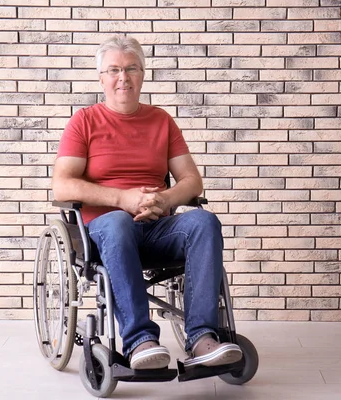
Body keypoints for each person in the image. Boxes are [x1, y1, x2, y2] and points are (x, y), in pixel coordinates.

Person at [52, 35, 242, 370]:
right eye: (113, 70)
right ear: (101, 77)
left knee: (203, 221)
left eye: (131, 69)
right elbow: (62, 185)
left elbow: (192, 181)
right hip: (104, 232)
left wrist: (164, 199)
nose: (122, 77)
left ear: (142, 74)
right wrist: (121, 198)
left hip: (156, 227)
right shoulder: (84, 122)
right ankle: (140, 340)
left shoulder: (161, 121)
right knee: (117, 220)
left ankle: (201, 337)